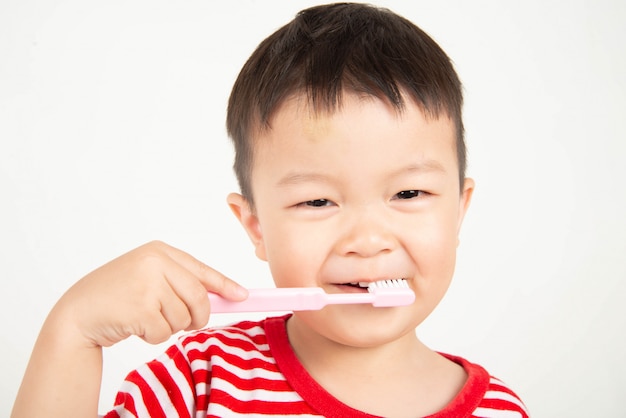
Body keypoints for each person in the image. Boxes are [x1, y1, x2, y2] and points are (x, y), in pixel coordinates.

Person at [12, 3, 529, 417]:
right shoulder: (198, 381)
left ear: (460, 211)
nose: (369, 240)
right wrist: (73, 330)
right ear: (256, 227)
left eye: (409, 194)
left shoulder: (501, 409)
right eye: (317, 201)